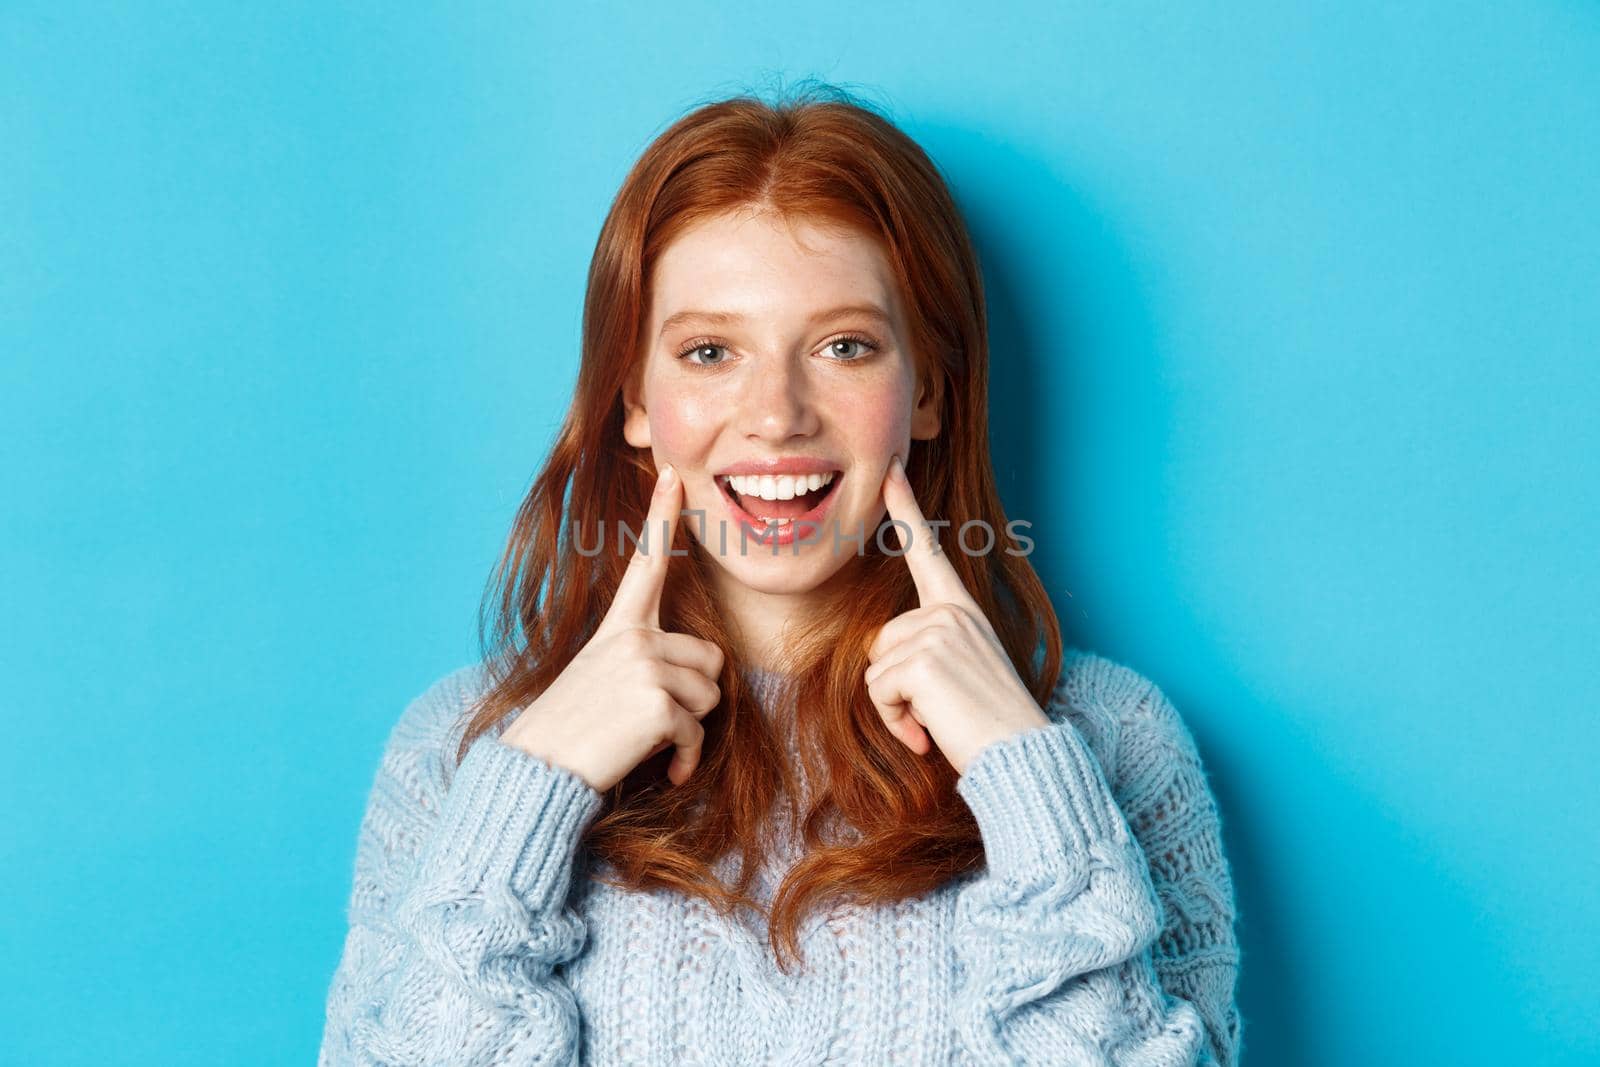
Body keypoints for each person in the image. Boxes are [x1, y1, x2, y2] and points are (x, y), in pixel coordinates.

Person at [318, 85, 1242, 1066]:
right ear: (634, 398)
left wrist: (1028, 787)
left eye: (843, 346)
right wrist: (529, 791)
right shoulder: (460, 750)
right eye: (710, 351)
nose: (776, 414)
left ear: (925, 390)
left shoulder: (1107, 741)